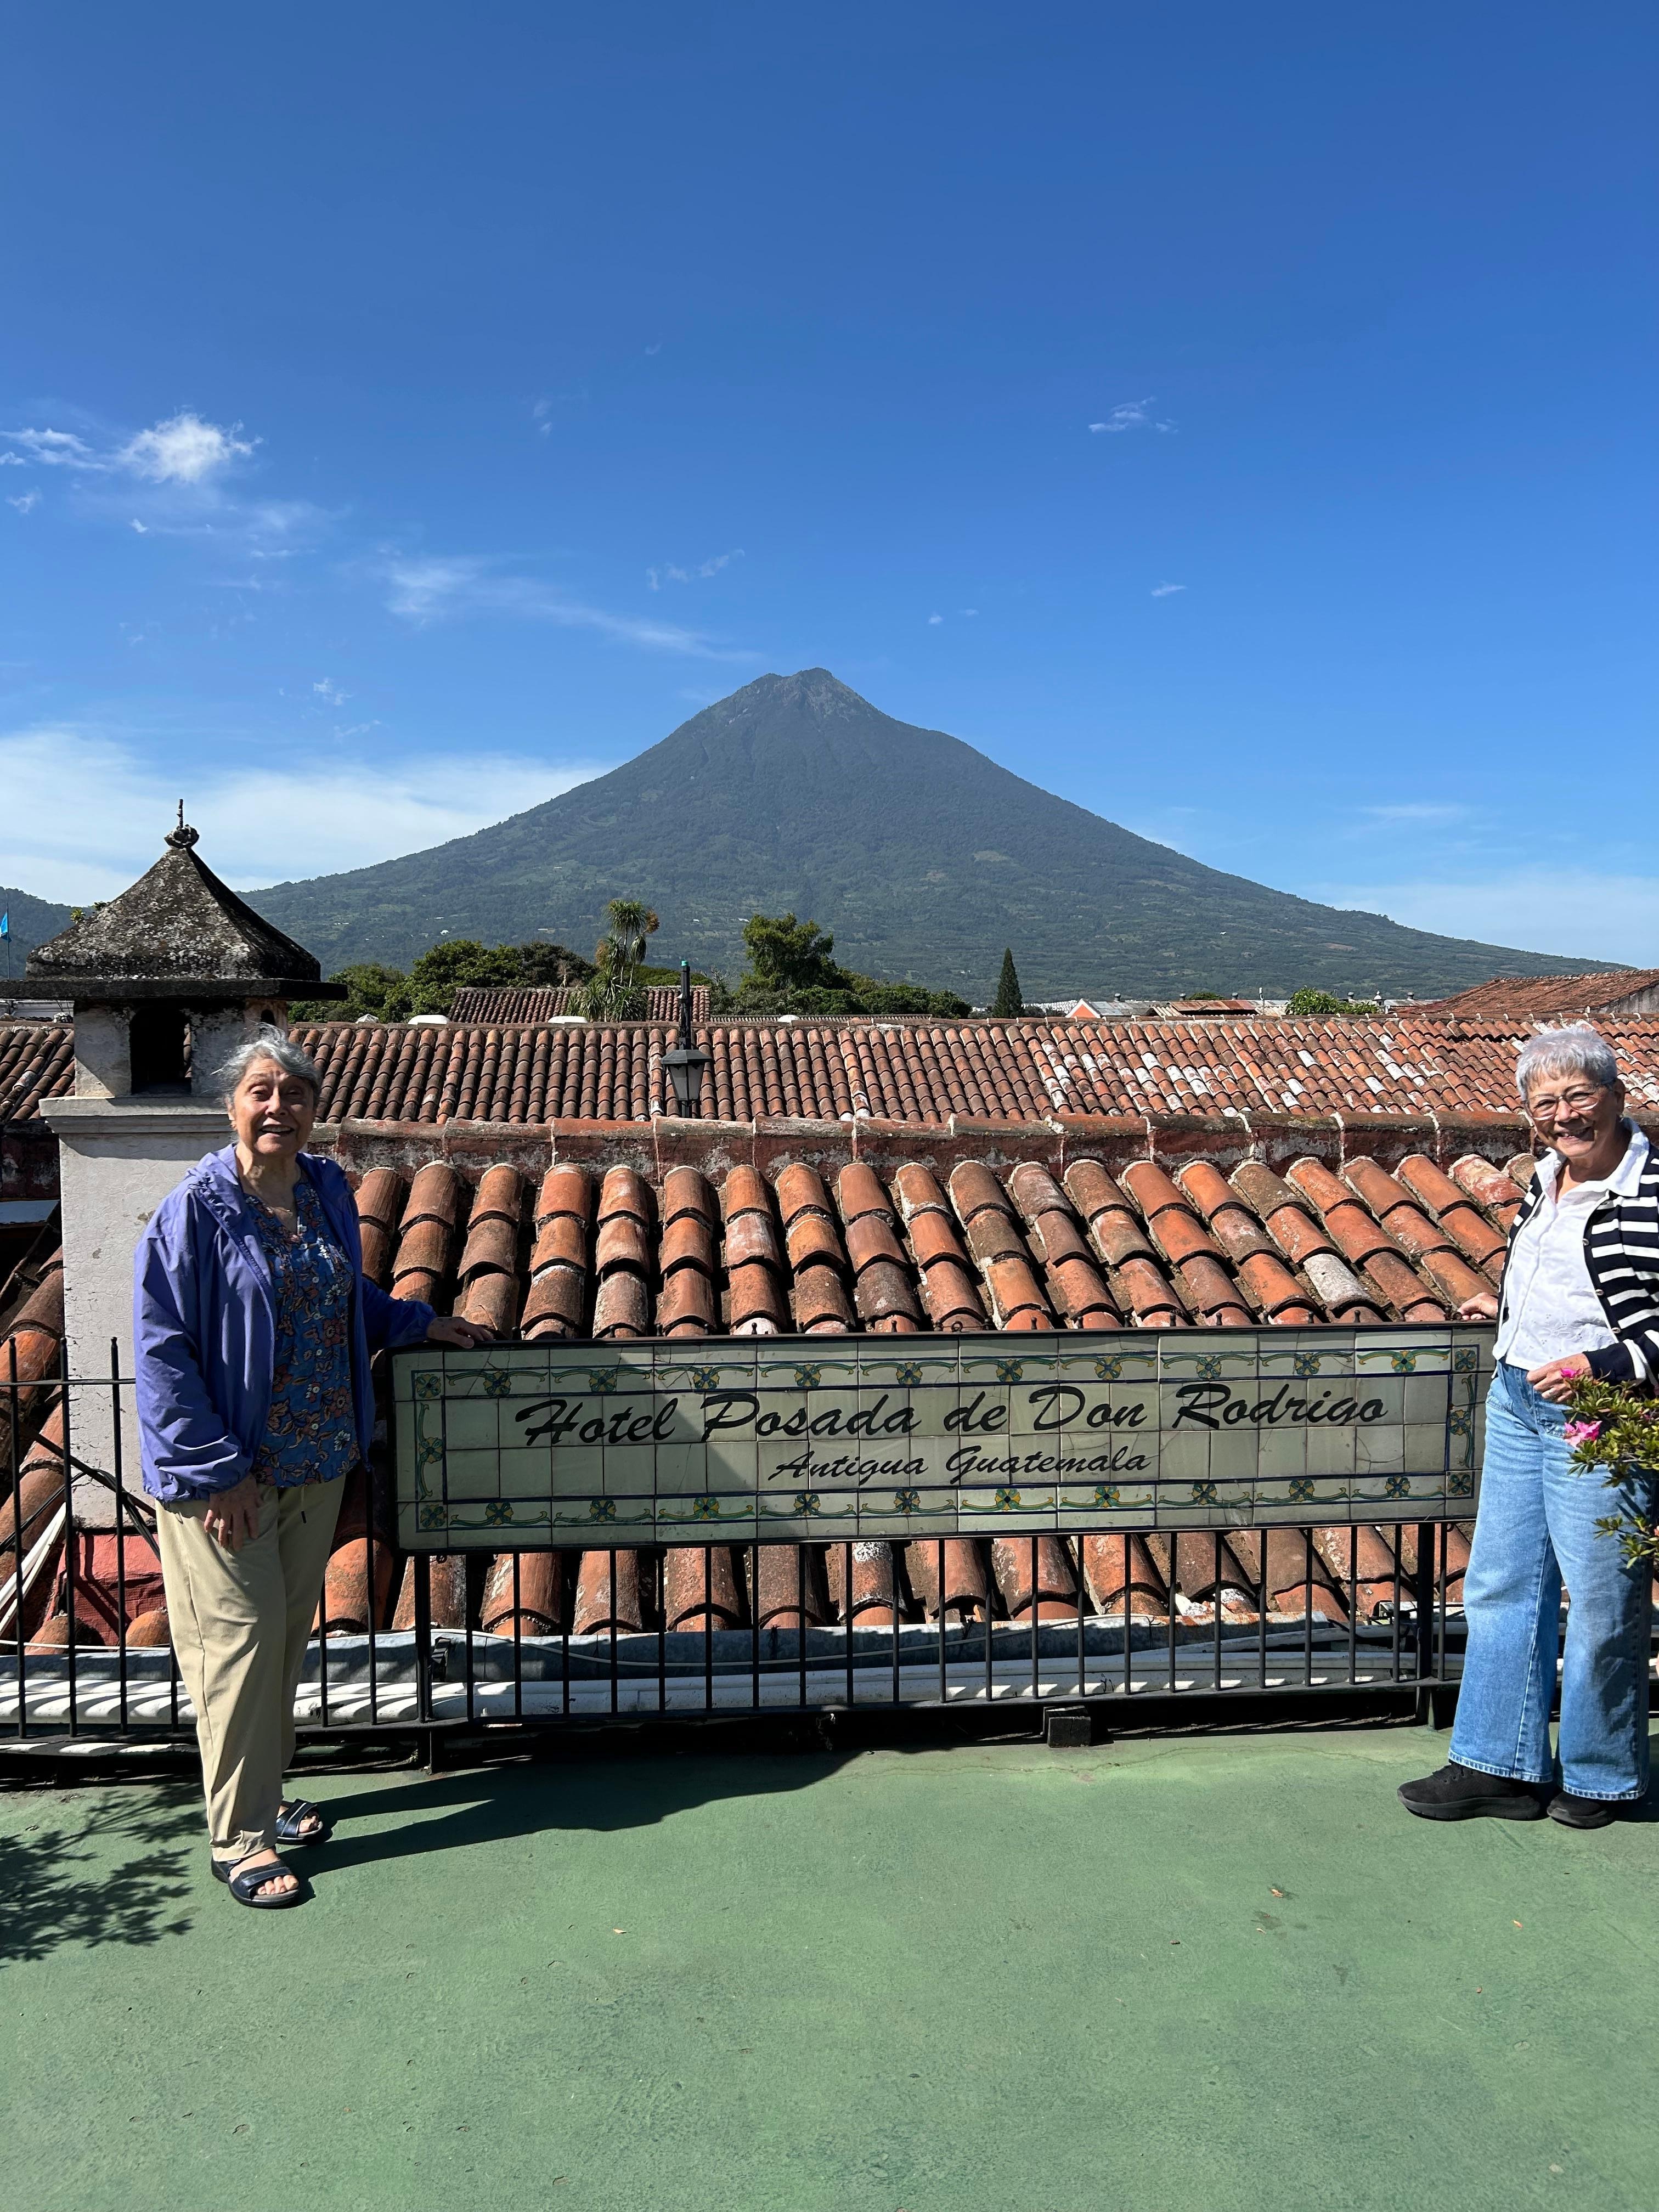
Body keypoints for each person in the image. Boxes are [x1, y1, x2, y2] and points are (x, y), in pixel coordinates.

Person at [135, 1029, 492, 1908]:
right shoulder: (196, 1210)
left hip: (318, 1460)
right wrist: (216, 1470)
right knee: (238, 1647)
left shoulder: (325, 1189)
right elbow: (162, 1350)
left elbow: (341, 1295)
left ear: (312, 1108)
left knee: (285, 1638)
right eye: (261, 1092)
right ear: (231, 1105)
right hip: (230, 1479)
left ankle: (265, 1797)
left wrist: (413, 1321)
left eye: (294, 1094)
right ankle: (241, 1838)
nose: (277, 1109)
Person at [1401, 1025, 1658, 1829]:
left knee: (1605, 1598)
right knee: (1503, 1583)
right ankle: (1498, 1766)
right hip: (1516, 1399)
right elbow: (1561, 1276)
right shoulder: (1542, 1180)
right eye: (1545, 1102)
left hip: (1600, 1416)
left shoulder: (1651, 1192)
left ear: (1617, 1097)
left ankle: (1602, 1775)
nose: (1564, 1115)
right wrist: (1504, 1308)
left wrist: (1603, 1366)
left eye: (1580, 1096)